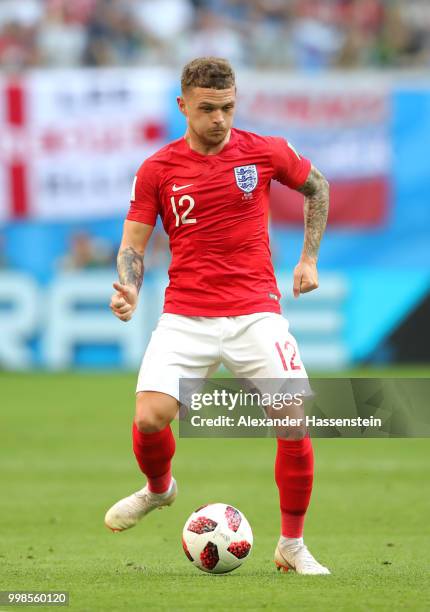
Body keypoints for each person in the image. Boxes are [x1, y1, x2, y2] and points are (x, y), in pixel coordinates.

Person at [104, 57, 330, 575]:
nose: (219, 119)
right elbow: (133, 244)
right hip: (186, 314)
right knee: (149, 417)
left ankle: (292, 545)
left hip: (256, 314)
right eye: (207, 109)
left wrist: (309, 257)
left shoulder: (265, 151)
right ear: (183, 106)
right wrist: (130, 290)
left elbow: (317, 187)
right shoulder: (158, 168)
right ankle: (160, 490)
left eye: (227, 107)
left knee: (293, 423)